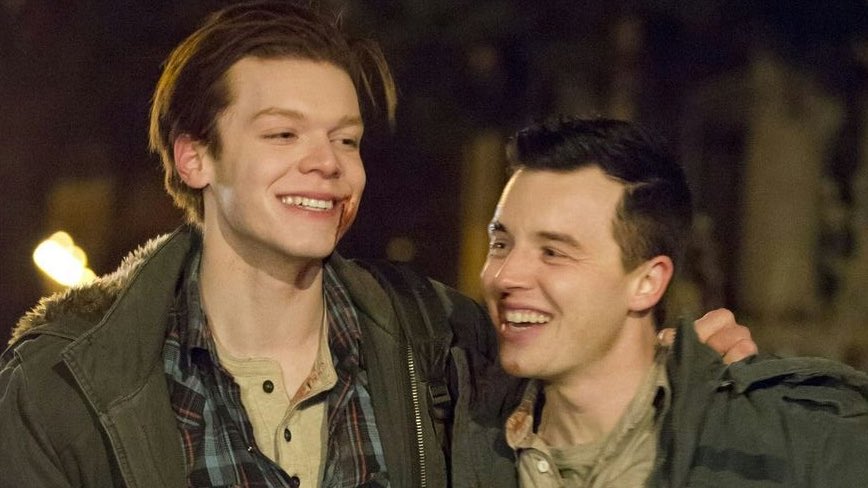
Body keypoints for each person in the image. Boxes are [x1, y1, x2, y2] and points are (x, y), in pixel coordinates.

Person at [0, 2, 754, 487]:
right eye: (283, 135)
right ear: (195, 157)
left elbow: (575, 433)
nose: (326, 164)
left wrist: (661, 376)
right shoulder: (68, 380)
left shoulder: (441, 343)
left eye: (346, 139)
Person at [476, 116, 868, 487]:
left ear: (647, 282)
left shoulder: (801, 443)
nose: (505, 276)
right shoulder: (460, 430)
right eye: (500, 244)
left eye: (553, 252)